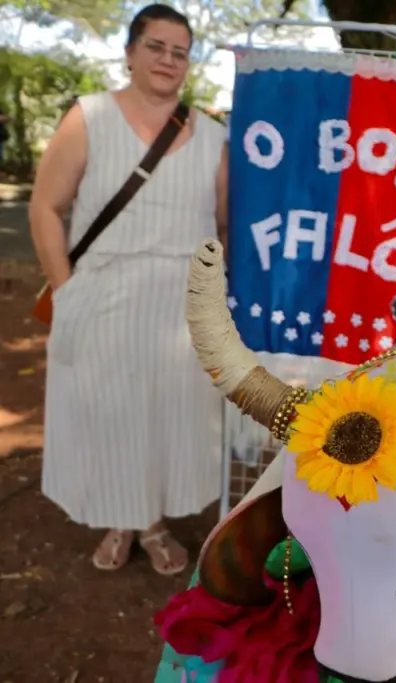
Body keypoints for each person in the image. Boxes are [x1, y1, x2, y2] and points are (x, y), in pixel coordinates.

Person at [28, 3, 229, 575]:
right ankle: (123, 519)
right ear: (130, 52)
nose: (168, 60)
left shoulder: (214, 136)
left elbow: (222, 224)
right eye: (156, 46)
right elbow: (46, 207)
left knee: (167, 415)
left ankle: (153, 522)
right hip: (102, 294)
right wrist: (66, 292)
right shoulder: (89, 117)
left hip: (178, 306)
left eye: (179, 51)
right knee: (111, 412)